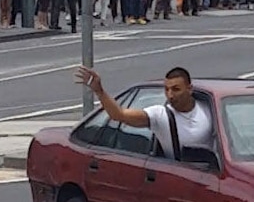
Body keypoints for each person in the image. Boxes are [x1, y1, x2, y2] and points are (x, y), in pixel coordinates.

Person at [73, 65, 214, 158]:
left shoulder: (208, 108)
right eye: (166, 89)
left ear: (189, 89)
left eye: (176, 89)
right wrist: (99, 91)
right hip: (181, 179)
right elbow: (118, 114)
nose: (170, 95)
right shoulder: (160, 115)